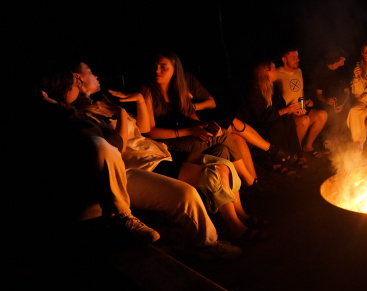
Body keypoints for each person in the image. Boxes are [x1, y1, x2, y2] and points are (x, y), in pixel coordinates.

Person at [40, 62, 242, 258]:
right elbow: (116, 147)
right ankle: (221, 236)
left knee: (222, 160)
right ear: (75, 80)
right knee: (208, 175)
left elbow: (142, 130)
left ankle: (235, 221)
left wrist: (139, 100)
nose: (95, 75)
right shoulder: (80, 116)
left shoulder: (99, 106)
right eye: (88, 71)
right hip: (138, 164)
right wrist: (120, 113)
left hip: (153, 153)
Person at [140, 51, 258, 186]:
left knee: (221, 149)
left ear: (175, 70)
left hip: (184, 136)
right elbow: (149, 132)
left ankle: (223, 193)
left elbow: (192, 117)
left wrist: (207, 124)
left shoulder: (178, 90)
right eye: (155, 66)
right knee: (223, 135)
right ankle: (249, 180)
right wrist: (190, 131)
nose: (157, 70)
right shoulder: (148, 92)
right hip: (165, 143)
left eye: (163, 66)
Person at [237, 58, 305, 174]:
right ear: (266, 72)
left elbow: (281, 106)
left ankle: (295, 155)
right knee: (277, 125)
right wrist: (284, 111)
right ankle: (278, 162)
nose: (276, 72)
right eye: (274, 69)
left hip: (269, 120)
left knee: (288, 120)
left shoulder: (274, 87)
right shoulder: (254, 90)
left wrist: (291, 111)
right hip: (255, 126)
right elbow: (261, 117)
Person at [276, 47, 328, 159]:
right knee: (304, 120)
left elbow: (299, 91)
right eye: (293, 57)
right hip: (287, 116)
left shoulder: (299, 71)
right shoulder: (277, 74)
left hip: (300, 110)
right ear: (284, 60)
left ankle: (308, 146)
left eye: (298, 56)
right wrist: (289, 109)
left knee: (322, 115)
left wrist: (306, 102)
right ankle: (296, 151)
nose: (297, 59)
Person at [313, 48, 352, 152]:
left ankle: (343, 140)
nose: (345, 60)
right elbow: (319, 94)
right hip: (327, 102)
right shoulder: (322, 72)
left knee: (345, 110)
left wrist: (342, 104)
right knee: (329, 112)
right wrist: (326, 101)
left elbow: (347, 92)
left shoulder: (344, 70)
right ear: (337, 59)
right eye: (343, 58)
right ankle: (327, 140)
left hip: (342, 101)